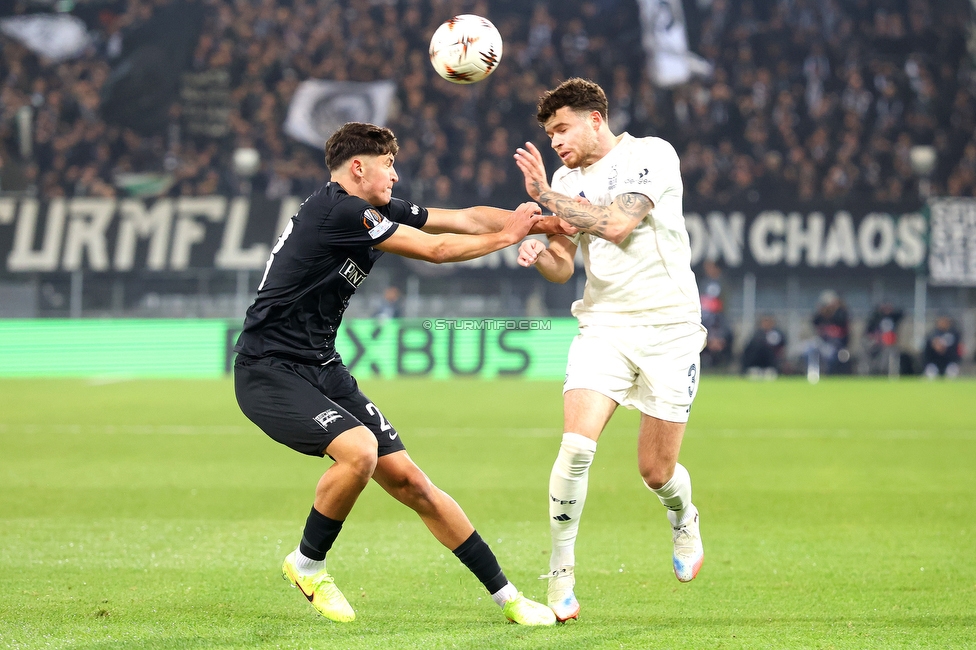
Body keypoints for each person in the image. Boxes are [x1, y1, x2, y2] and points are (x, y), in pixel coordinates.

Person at [234, 122, 564, 626]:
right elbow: (435, 250)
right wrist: (508, 237)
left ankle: (511, 599)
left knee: (413, 483)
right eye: (387, 164)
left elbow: (462, 218)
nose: (395, 172)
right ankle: (307, 564)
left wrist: (543, 224)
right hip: (267, 369)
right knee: (360, 450)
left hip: (321, 366)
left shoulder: (371, 209)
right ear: (358, 167)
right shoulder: (338, 211)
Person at [513, 78, 706, 622]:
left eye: (561, 128)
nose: (554, 141)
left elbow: (618, 224)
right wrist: (538, 248)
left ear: (595, 118)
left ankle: (683, 515)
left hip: (670, 329)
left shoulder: (650, 155)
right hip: (603, 326)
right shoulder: (566, 177)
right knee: (576, 447)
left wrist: (543, 199)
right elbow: (564, 265)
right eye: (549, 133)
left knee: (655, 470)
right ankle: (560, 572)